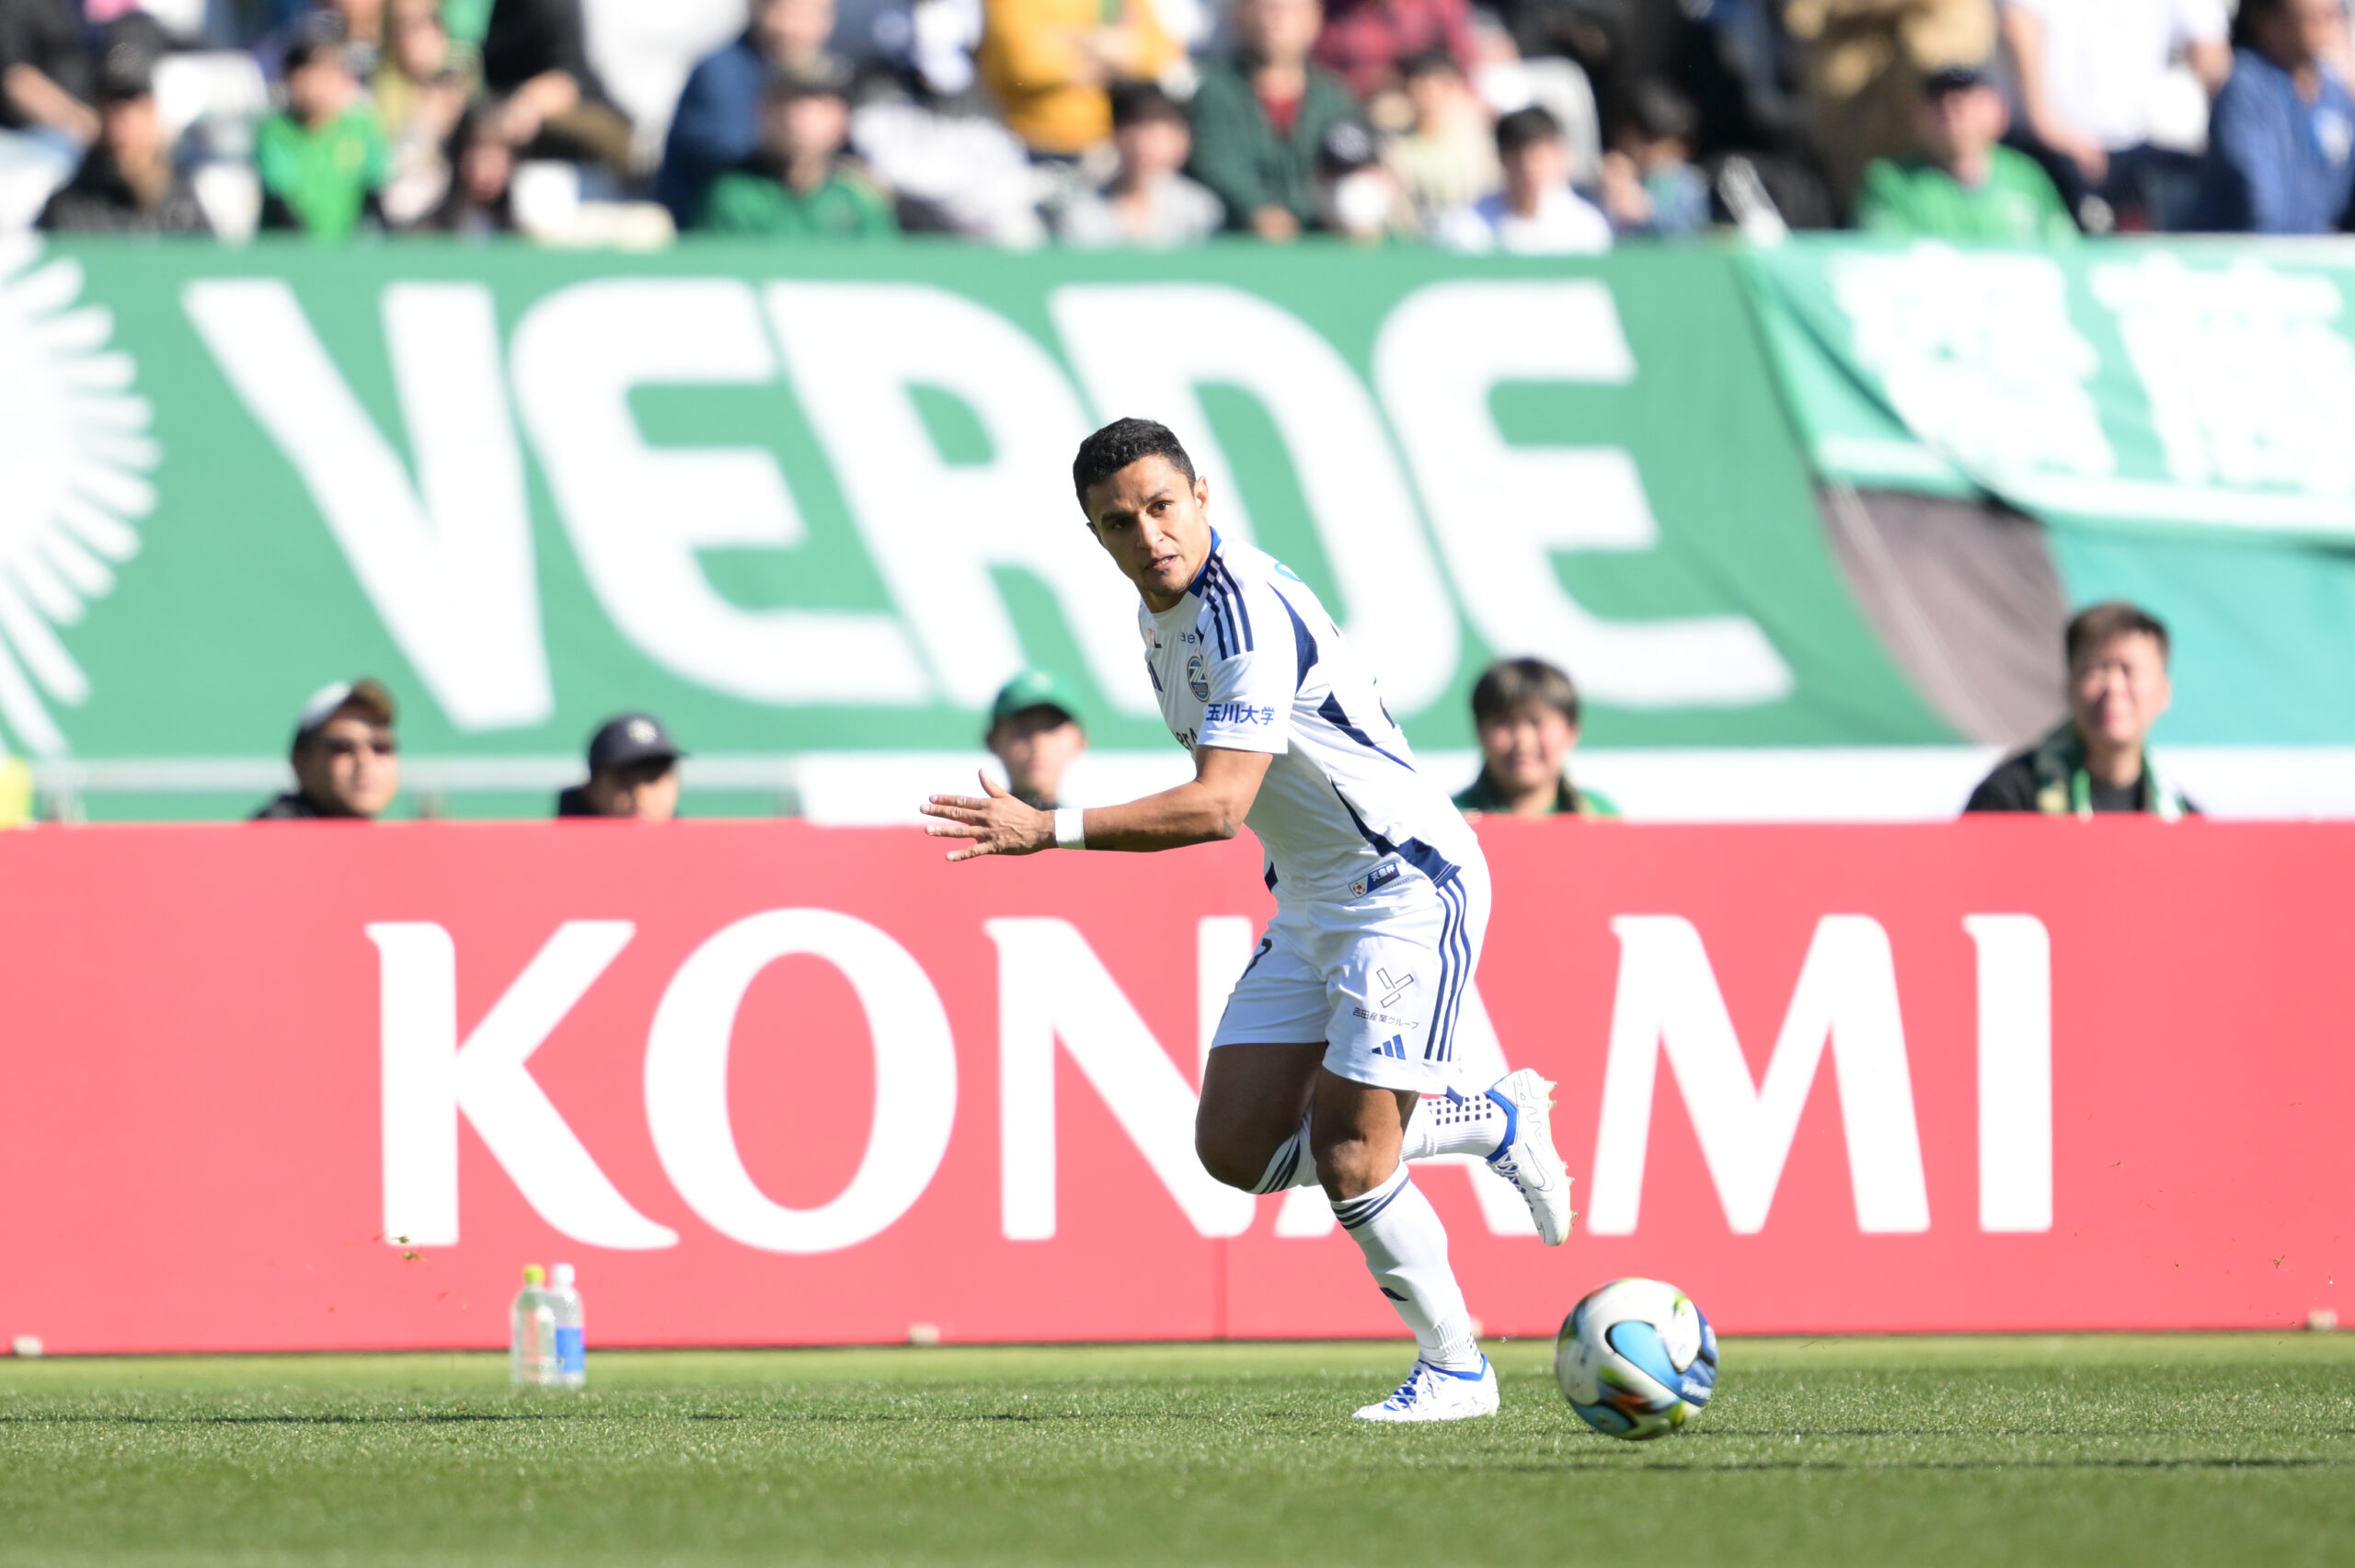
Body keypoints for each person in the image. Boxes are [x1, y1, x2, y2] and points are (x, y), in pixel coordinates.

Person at [921, 418, 1574, 1422]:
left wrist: (1048, 828)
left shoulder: (1245, 613)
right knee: (1235, 1149)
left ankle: (1456, 1368)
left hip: (1403, 885)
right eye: (1119, 522)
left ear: (1202, 496)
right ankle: (1491, 1117)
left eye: (1161, 506)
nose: (1148, 535)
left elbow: (1220, 804)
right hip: (1313, 901)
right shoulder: (1161, 618)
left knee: (1353, 1157)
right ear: (1096, 537)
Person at [2001, 0, 2229, 230]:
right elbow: (2019, 23)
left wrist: (2222, 137)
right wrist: (2047, 127)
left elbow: (2209, 49)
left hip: (2136, 150)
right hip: (2048, 150)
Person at [1964, 601, 2197, 818]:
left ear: (2164, 692)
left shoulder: (2182, 818)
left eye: (2129, 670)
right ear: (2068, 688)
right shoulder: (2008, 800)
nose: (2113, 687)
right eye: (2097, 669)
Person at [657, 0, 844, 226]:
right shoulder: (720, 71)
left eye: (807, 15)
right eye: (781, 11)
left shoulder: (827, 71)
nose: (791, 27)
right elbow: (731, 148)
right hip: (706, 228)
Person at [1187, 0, 1361, 238]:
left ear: (1315, 18)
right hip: (1232, 234)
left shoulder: (1334, 97)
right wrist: (1257, 209)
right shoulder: (1215, 90)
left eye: (1289, 10)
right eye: (1267, 8)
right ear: (1241, 15)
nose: (1275, 20)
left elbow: (1350, 160)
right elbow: (1215, 161)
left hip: (1320, 234)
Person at [2184, 0, 2355, 234]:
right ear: (2266, 18)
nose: (2326, 7)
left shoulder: (2335, 96)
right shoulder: (2244, 91)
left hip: (2315, 252)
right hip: (2246, 252)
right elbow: (2261, 208)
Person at [1855, 63, 2076, 243]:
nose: (1952, 113)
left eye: (1966, 102)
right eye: (1938, 102)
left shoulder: (2027, 177)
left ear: (1998, 111)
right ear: (1918, 117)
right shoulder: (1892, 182)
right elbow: (1885, 257)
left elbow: (2065, 251)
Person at [698, 59, 898, 237]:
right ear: (761, 111)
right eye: (785, 101)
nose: (796, 117)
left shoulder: (858, 198)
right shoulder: (734, 196)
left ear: (842, 119)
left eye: (817, 103)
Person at [40, 38, 213, 235]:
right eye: (110, 106)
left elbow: (209, 252)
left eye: (133, 104)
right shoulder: (70, 206)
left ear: (152, 111)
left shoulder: (182, 202)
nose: (120, 122)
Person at [977, 0, 1178, 159]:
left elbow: (1160, 54)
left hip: (1106, 148)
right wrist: (1112, 60)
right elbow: (1024, 65)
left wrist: (1075, 41)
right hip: (1025, 144)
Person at [256, 15, 392, 237]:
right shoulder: (275, 131)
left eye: (333, 68)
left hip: (347, 252)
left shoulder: (362, 128)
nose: (324, 81)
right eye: (315, 69)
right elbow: (284, 210)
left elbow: (375, 200)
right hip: (290, 252)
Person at [1055, 79, 1223, 245]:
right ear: (1115, 135)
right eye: (1133, 129)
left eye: (1155, 135)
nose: (1143, 146)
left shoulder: (1200, 210)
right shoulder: (1083, 211)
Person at [1453, 658, 1616, 819]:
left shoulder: (1600, 816)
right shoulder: (1452, 820)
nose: (1522, 740)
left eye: (1536, 723)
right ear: (1479, 730)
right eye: (1504, 722)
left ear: (1571, 732)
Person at [1435, 103, 1611, 251]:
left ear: (1558, 153)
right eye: (1517, 157)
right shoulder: (1467, 226)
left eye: (1539, 157)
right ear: (1501, 158)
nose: (1528, 167)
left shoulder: (1585, 226)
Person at [373, 0, 473, 228]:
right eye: (403, 26)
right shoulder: (378, 90)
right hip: (403, 219)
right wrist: (423, 126)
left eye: (422, 24)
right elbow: (392, 187)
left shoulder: (463, 77)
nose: (413, 38)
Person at [252, 679, 402, 820]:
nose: (365, 761)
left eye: (381, 748)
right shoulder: (273, 832)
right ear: (301, 761)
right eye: (343, 747)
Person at [1384, 48, 1496, 231]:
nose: (1426, 97)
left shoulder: (1477, 139)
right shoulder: (1395, 146)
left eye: (1434, 89)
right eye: (1419, 89)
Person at [0, 0, 98, 191]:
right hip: (24, 149)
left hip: (74, 144)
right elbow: (17, 81)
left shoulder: (79, 9)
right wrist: (87, 125)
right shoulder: (13, 7)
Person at [1595, 77, 1711, 238]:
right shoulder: (1607, 175)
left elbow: (1691, 231)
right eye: (1648, 140)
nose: (1662, 152)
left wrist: (1644, 211)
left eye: (1653, 140)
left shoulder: (1687, 183)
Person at [1310, 0, 1476, 100]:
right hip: (1359, 105)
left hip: (1430, 103)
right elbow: (1320, 73)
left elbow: (1463, 57)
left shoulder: (1438, 5)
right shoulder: (1336, 13)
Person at [983, 670, 1087, 809]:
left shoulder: (1092, 823)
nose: (1038, 744)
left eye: (1051, 728)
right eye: (1023, 728)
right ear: (992, 741)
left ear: (1079, 742)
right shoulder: (964, 823)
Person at [556, 713, 684, 820]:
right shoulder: (558, 842)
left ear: (674, 783)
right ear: (594, 791)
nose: (640, 796)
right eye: (624, 780)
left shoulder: (691, 842)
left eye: (653, 778)